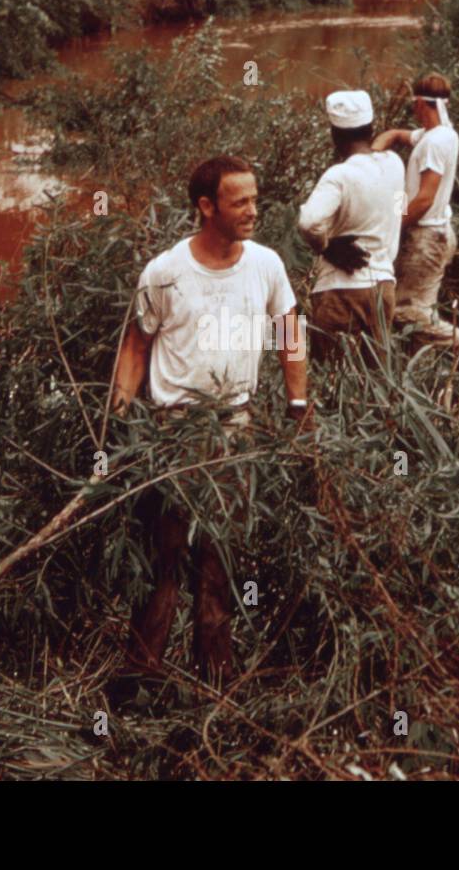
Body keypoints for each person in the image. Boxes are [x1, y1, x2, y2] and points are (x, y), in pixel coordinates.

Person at [110, 156, 308, 692]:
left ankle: (214, 678)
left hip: (234, 430)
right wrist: (119, 421)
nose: (252, 210)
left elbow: (289, 333)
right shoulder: (167, 272)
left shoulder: (266, 266)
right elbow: (136, 343)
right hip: (173, 435)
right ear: (206, 207)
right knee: (163, 559)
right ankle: (141, 677)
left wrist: (298, 406)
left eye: (254, 198)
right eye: (239, 201)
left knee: (220, 556)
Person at [297, 90, 405, 364]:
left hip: (341, 288)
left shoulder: (340, 175)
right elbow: (399, 209)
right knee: (376, 376)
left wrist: (326, 246)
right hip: (383, 285)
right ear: (371, 128)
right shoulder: (394, 165)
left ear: (335, 135)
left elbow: (309, 222)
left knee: (331, 372)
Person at [372, 72, 459, 349]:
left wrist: (392, 226)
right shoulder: (438, 135)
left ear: (423, 104)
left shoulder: (434, 144)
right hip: (434, 234)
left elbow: (424, 199)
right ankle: (427, 362)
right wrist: (374, 153)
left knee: (410, 314)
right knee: (412, 308)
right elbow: (398, 134)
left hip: (426, 239)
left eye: (414, 103)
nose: (412, 109)